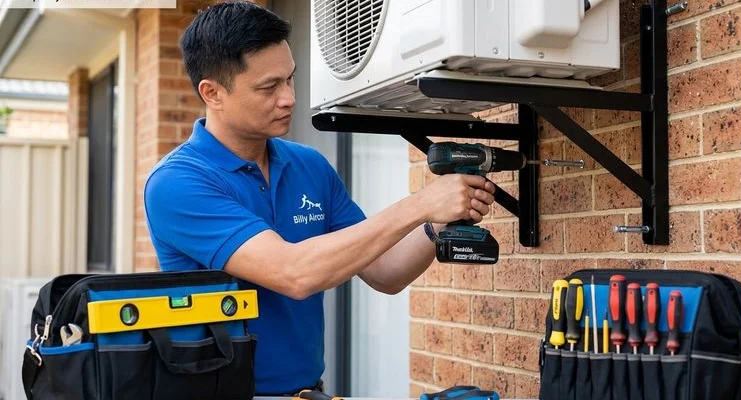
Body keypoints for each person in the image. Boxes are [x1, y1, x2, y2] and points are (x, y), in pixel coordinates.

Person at [143, 1, 496, 395]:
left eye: (290, 79)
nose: (289, 98)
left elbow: (385, 271)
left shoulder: (309, 165)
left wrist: (437, 223)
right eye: (268, 87)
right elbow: (294, 274)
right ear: (213, 93)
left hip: (310, 391)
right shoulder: (178, 183)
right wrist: (420, 204)